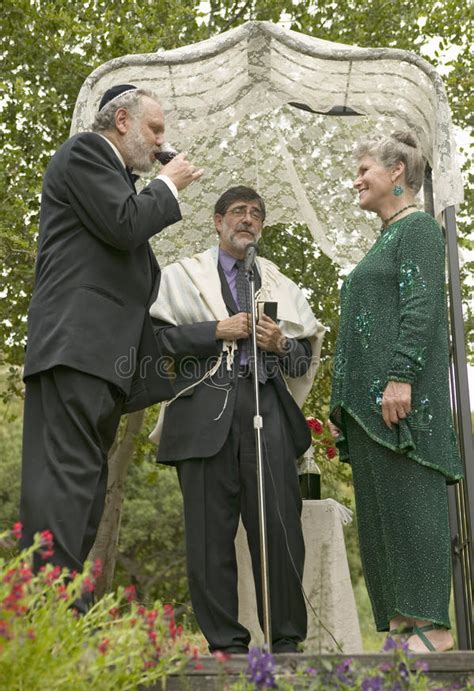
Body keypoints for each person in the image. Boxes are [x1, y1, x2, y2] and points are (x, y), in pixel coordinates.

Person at [20, 84, 203, 581]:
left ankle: (60, 611)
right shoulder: (86, 152)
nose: (162, 142)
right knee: (66, 482)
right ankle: (46, 607)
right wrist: (166, 184)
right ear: (121, 121)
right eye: (155, 129)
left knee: (85, 483)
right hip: (75, 348)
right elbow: (125, 225)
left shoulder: (115, 176)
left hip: (98, 358)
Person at [149, 186, 325, 653]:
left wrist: (281, 344)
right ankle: (225, 646)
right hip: (203, 411)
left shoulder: (281, 284)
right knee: (209, 537)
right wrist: (215, 331)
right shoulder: (182, 277)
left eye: (256, 214)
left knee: (281, 528)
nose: (248, 219)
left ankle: (287, 643)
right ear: (217, 220)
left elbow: (303, 361)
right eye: (239, 212)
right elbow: (156, 343)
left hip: (267, 408)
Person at [329, 131, 464, 653]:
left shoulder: (419, 232)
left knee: (414, 506)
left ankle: (435, 627)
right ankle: (405, 625)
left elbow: (421, 307)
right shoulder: (385, 237)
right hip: (368, 409)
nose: (356, 179)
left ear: (397, 174)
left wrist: (401, 376)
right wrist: (344, 397)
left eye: (364, 169)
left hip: (401, 401)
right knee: (384, 515)